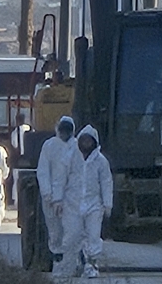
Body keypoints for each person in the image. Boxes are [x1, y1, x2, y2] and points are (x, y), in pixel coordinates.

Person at [69, 125, 112, 279]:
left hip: (94, 204)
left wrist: (107, 203)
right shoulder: (72, 159)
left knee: (93, 235)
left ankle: (92, 264)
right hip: (74, 204)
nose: (86, 143)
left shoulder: (101, 161)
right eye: (84, 140)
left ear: (95, 142)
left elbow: (106, 182)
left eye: (89, 140)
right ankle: (78, 262)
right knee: (74, 235)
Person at [36, 115, 79, 268]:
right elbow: (43, 171)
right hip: (52, 197)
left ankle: (73, 260)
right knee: (54, 230)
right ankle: (57, 258)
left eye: (68, 130)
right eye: (63, 130)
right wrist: (47, 194)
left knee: (74, 230)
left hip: (72, 197)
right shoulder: (49, 145)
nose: (65, 133)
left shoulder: (77, 146)